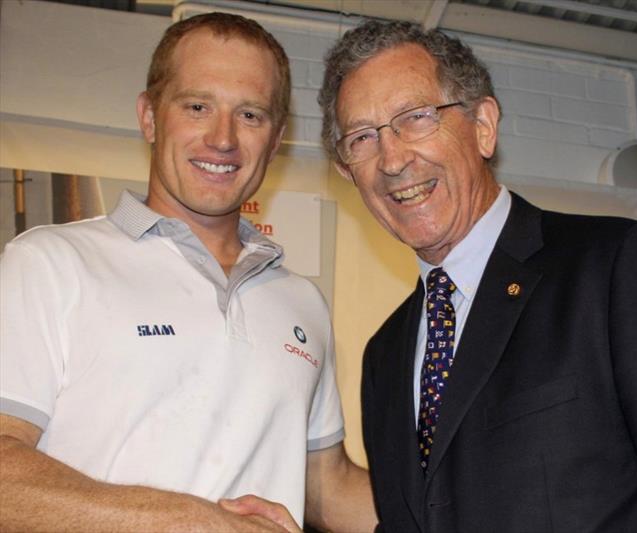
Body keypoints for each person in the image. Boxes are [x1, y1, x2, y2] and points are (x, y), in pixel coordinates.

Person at [318, 19, 637, 532]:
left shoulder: (619, 269)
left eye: (416, 117)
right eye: (362, 138)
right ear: (347, 170)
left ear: (483, 126)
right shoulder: (384, 354)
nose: (392, 158)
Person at [0, 12, 375, 533]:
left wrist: (481, 502)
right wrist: (190, 521)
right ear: (150, 117)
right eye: (198, 106)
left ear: (276, 139)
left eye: (250, 115)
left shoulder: (301, 303)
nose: (222, 138)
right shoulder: (48, 263)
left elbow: (326, 487)